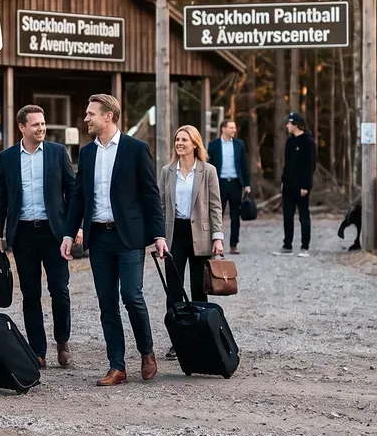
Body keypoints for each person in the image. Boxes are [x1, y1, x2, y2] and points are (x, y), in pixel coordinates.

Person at [60, 95, 167, 386]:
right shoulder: (86, 153)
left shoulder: (135, 149)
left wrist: (159, 235)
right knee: (107, 303)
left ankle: (147, 351)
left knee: (132, 297)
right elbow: (79, 196)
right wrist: (69, 233)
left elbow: (150, 195)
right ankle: (117, 367)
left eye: (91, 113)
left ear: (108, 116)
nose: (86, 118)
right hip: (99, 238)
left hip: (129, 237)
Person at [0, 105, 76, 369]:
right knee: (30, 294)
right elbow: (0, 198)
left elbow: (72, 192)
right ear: (22, 128)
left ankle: (62, 340)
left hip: (54, 234)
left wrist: (73, 229)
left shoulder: (57, 153)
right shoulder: (7, 158)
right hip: (23, 234)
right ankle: (38, 350)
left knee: (59, 290)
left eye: (43, 123)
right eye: (35, 124)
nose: (41, 128)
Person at [161, 125, 225, 324]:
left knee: (199, 288)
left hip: (200, 234)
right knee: (174, 287)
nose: (179, 143)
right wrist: (158, 236)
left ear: (195, 144)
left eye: (184, 140)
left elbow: (215, 206)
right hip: (175, 233)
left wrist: (218, 237)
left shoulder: (208, 171)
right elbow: (161, 206)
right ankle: (179, 336)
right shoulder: (167, 171)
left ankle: (201, 333)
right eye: (177, 140)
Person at [207, 119, 251, 255]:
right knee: (216, 214)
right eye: (231, 127)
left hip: (235, 183)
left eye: (234, 127)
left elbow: (244, 164)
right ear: (223, 129)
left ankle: (233, 244)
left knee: (235, 215)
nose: (234, 130)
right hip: (219, 184)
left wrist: (247, 184)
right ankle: (215, 243)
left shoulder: (239, 144)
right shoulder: (213, 145)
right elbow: (210, 165)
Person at [281, 111, 316, 256]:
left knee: (303, 216)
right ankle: (287, 245)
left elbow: (310, 166)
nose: (287, 125)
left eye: (289, 123)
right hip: (288, 185)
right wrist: (283, 181)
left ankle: (304, 246)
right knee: (288, 216)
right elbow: (287, 164)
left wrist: (306, 186)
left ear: (296, 125)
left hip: (301, 187)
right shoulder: (290, 142)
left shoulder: (308, 142)